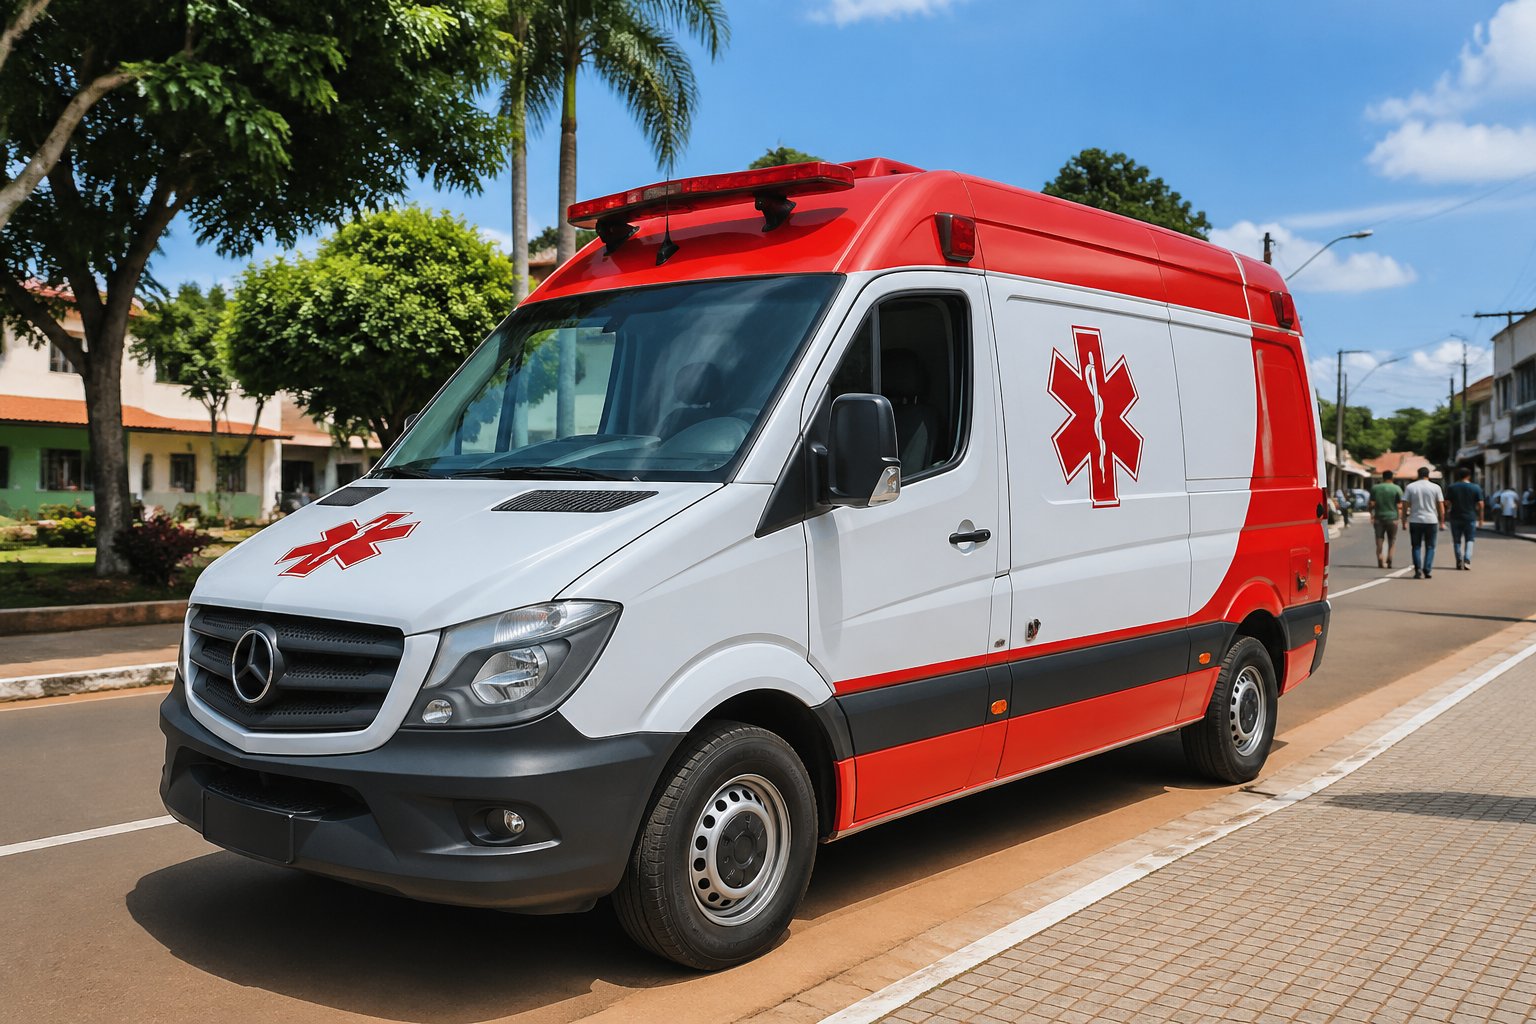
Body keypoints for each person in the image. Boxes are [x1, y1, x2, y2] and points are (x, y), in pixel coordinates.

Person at [1403, 466, 1446, 579]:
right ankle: (1427, 569)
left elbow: (1405, 505)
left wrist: (1404, 520)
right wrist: (1442, 521)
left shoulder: (1410, 487)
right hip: (1431, 520)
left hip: (1415, 520)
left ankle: (1418, 570)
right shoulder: (1436, 487)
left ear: (1418, 474)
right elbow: (1441, 506)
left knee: (1416, 546)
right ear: (1428, 475)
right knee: (1430, 546)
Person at [1444, 467, 1484, 570]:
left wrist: (1449, 509)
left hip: (1455, 517)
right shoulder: (1476, 487)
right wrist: (1480, 519)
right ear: (1469, 476)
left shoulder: (1452, 487)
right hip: (1470, 517)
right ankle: (1467, 559)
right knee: (1470, 539)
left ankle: (1458, 560)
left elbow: (1447, 502)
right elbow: (1481, 504)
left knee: (1456, 540)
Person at [1368, 470, 1404, 569]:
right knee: (1392, 540)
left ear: (1382, 478)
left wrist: (1371, 513)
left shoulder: (1375, 488)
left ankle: (1380, 557)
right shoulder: (1397, 488)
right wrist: (1400, 517)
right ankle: (1390, 558)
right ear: (1392, 478)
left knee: (1379, 539)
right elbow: (1400, 504)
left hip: (1379, 517)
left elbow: (1371, 503)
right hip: (1393, 518)